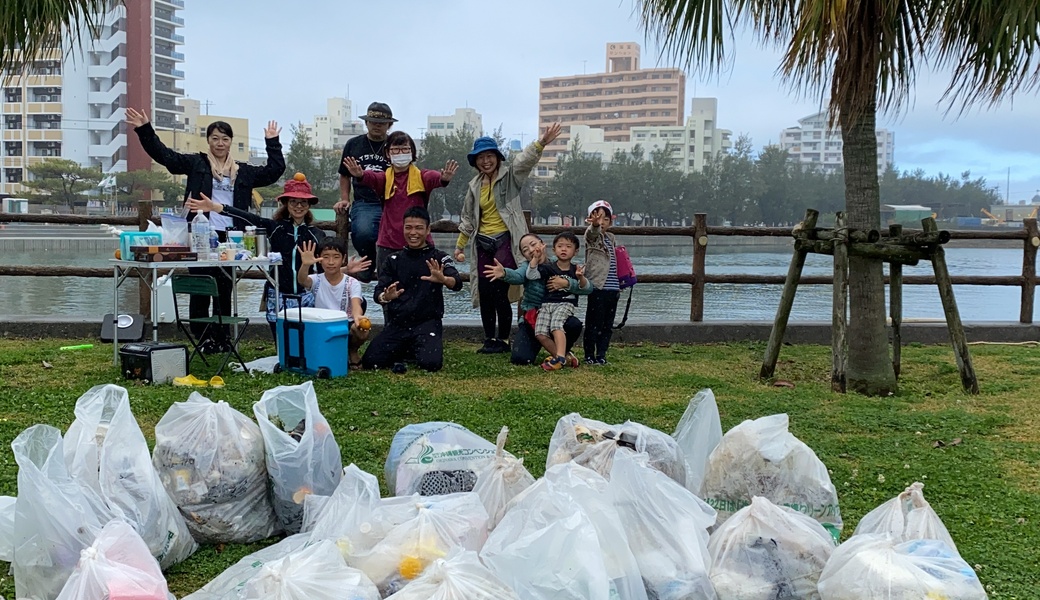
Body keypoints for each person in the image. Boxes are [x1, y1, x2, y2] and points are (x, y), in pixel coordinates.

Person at [127, 107, 285, 352]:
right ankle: (202, 337)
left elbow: (274, 171)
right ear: (208, 140)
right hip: (201, 234)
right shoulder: (196, 164)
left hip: (231, 238)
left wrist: (272, 142)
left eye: (224, 139)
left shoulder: (243, 171)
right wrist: (144, 129)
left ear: (231, 142)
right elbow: (165, 156)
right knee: (200, 287)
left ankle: (221, 339)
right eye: (215, 138)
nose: (219, 143)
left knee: (223, 288)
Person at [185, 175, 369, 339]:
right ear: (286, 204)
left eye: (303, 203)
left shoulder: (316, 234)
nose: (298, 206)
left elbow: (324, 269)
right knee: (281, 340)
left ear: (309, 205)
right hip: (277, 292)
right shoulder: (275, 228)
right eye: (293, 202)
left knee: (303, 339)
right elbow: (247, 217)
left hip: (305, 294)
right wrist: (215, 207)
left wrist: (345, 270)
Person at [454, 123, 563, 354]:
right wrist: (459, 246)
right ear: (475, 161)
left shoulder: (510, 177)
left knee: (502, 289)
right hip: (482, 241)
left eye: (490, 156)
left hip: (505, 238)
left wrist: (541, 143)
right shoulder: (473, 186)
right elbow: (467, 217)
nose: (486, 161)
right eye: (481, 157)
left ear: (497, 157)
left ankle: (503, 339)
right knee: (484, 291)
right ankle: (488, 338)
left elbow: (524, 161)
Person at [362, 206, 462, 373]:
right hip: (399, 323)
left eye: (418, 228)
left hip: (427, 322)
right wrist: (386, 297)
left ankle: (414, 346)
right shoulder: (393, 259)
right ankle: (407, 347)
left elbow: (457, 283)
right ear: (403, 229)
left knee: (431, 364)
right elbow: (377, 293)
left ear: (428, 229)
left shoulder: (439, 257)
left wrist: (443, 279)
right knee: (371, 361)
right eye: (408, 227)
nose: (413, 233)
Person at [341, 130, 458, 273]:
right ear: (388, 154)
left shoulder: (421, 176)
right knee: (387, 287)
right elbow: (371, 177)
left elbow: (434, 177)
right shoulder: (384, 178)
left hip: (420, 242)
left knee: (423, 286)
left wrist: (444, 178)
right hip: (388, 243)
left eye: (405, 149)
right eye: (395, 150)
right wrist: (360, 174)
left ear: (412, 152)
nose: (400, 153)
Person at [484, 232, 590, 366]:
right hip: (533, 319)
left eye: (533, 244)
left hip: (556, 315)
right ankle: (563, 356)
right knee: (521, 359)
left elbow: (587, 288)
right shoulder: (527, 267)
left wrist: (567, 284)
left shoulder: (557, 264)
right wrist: (504, 273)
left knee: (573, 325)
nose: (530, 250)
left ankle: (560, 355)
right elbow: (518, 276)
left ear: (542, 244)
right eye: (525, 249)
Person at [334, 102, 396, 282]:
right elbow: (344, 175)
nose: (377, 126)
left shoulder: (395, 144)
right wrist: (345, 199)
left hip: (391, 199)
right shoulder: (354, 144)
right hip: (365, 201)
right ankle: (369, 263)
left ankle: (391, 268)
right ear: (366, 123)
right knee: (362, 232)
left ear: (389, 125)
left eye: (382, 123)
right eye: (373, 121)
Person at [296, 239, 369, 368]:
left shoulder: (352, 282)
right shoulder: (316, 280)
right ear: (319, 258)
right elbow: (302, 280)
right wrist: (305, 265)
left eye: (336, 257)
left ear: (343, 259)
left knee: (361, 329)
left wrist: (358, 317)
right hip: (321, 324)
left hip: (345, 322)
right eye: (326, 257)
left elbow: (356, 303)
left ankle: (352, 351)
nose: (331, 262)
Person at [527, 231, 588, 371]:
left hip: (566, 303)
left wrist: (580, 277)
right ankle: (563, 357)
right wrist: (535, 259)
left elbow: (584, 287)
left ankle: (559, 358)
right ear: (554, 250)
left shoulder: (575, 269)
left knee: (556, 325)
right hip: (546, 304)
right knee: (540, 333)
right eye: (560, 246)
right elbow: (531, 275)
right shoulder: (549, 268)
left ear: (575, 251)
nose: (564, 249)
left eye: (568, 246)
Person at [583, 200, 622, 365]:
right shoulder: (592, 237)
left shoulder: (612, 238)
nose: (602, 221)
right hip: (598, 287)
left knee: (607, 325)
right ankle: (589, 355)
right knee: (593, 323)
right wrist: (595, 226)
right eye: (598, 216)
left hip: (613, 288)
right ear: (590, 218)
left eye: (606, 218)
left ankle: (602, 354)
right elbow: (592, 233)